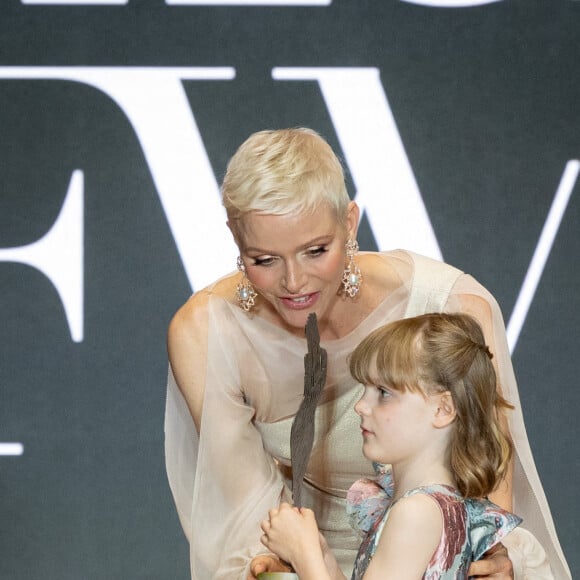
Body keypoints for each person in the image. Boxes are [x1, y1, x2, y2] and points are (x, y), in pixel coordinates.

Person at [164, 127, 570, 579]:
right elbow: (252, 523)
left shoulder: (448, 307)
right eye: (264, 260)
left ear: (350, 223)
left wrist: (487, 560)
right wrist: (294, 561)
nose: (295, 282)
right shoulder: (207, 332)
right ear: (235, 240)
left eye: (316, 251)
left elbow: (486, 500)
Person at [260, 312, 523, 579]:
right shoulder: (426, 505)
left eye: (384, 393)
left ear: (443, 409)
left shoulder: (416, 513)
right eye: (365, 389)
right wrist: (323, 556)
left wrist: (304, 554)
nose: (361, 406)